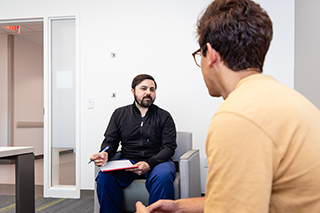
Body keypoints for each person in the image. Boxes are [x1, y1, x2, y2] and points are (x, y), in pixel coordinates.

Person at [135, 0, 320, 212]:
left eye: (199, 56)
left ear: (211, 54)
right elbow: (243, 198)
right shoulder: (287, 99)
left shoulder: (237, 116)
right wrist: (178, 206)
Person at [90, 74, 177, 213]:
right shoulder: (119, 114)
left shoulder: (164, 116)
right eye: (143, 88)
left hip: (157, 162)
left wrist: (149, 164)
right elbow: (110, 142)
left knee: (164, 177)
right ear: (133, 91)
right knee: (104, 178)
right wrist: (105, 153)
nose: (148, 92)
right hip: (128, 162)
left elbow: (169, 147)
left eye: (152, 89)